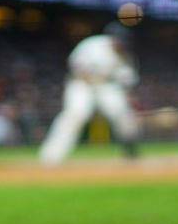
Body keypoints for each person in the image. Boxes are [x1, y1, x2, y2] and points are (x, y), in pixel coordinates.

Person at [39, 22, 140, 165]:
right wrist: (94, 84)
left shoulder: (125, 56)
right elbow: (77, 69)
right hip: (82, 85)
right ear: (111, 38)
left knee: (123, 114)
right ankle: (51, 156)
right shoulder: (92, 45)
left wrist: (126, 98)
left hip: (106, 86)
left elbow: (127, 82)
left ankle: (130, 150)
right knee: (75, 115)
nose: (120, 44)